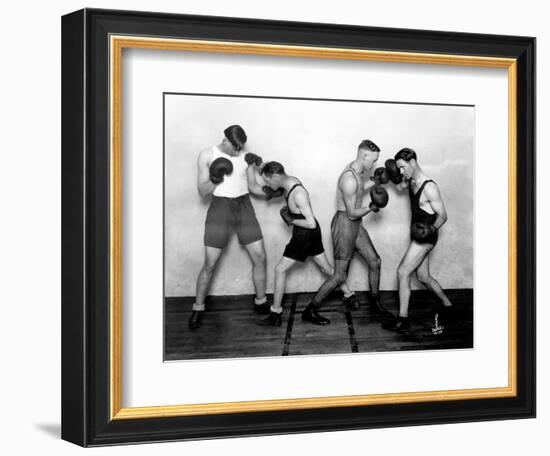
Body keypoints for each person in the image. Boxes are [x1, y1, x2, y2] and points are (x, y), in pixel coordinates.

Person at [251, 161, 357, 327]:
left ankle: (275, 313)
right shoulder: (289, 181)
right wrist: (256, 165)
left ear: (277, 176)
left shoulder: (298, 194)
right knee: (327, 269)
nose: (268, 184)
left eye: (269, 180)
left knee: (279, 270)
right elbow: (263, 183)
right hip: (309, 234)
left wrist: (291, 219)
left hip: (306, 234)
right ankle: (350, 296)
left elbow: (310, 223)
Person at [188, 125, 272, 330]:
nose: (238, 151)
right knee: (210, 263)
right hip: (220, 208)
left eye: (241, 147)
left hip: (243, 206)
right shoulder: (207, 155)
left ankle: (260, 301)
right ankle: (198, 308)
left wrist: (271, 191)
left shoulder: (246, 158)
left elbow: (252, 187)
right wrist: (216, 178)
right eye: (235, 147)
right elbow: (202, 192)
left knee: (260, 256)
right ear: (225, 140)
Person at [302, 139, 390, 325]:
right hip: (345, 225)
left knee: (375, 261)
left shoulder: (358, 172)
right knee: (340, 276)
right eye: (373, 160)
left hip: (356, 225)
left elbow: (359, 191)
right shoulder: (348, 178)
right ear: (363, 155)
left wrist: (375, 183)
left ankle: (375, 304)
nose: (374, 164)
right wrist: (372, 207)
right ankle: (310, 310)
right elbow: (351, 213)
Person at [382, 148, 454, 333]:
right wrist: (387, 177)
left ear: (413, 162)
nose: (401, 171)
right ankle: (448, 305)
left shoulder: (429, 187)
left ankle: (402, 320)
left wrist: (431, 229)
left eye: (403, 167)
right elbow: (400, 187)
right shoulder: (410, 179)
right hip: (416, 233)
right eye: (399, 168)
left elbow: (443, 216)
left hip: (426, 236)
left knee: (403, 272)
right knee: (423, 277)